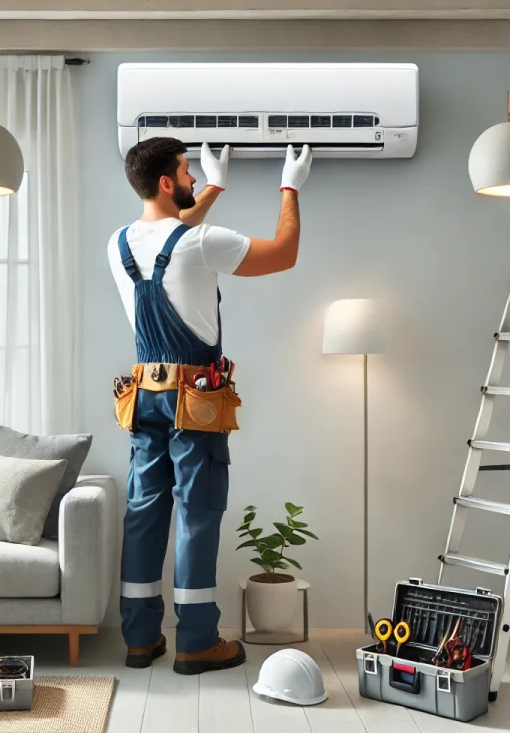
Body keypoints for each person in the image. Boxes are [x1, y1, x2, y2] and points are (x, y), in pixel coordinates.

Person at [108, 138, 313, 674]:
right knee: (198, 515)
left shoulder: (120, 243)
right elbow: (286, 253)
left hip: (143, 395)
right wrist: (290, 186)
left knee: (144, 514)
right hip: (195, 399)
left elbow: (173, 235)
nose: (194, 179)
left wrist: (216, 186)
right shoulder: (202, 242)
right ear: (166, 184)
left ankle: (140, 638)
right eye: (187, 172)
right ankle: (197, 642)